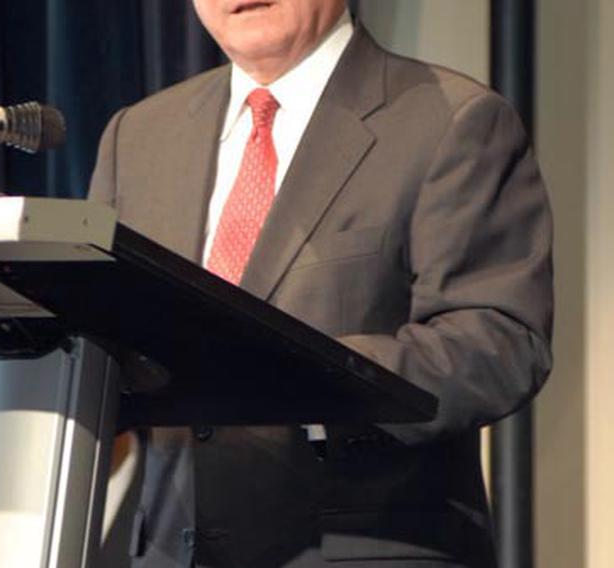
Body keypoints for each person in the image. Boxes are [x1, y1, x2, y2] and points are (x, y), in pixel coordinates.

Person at [88, 1, 553, 566]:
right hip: (166, 550)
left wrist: (308, 377)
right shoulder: (138, 136)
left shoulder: (452, 120)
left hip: (360, 548)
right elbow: (100, 334)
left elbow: (498, 343)